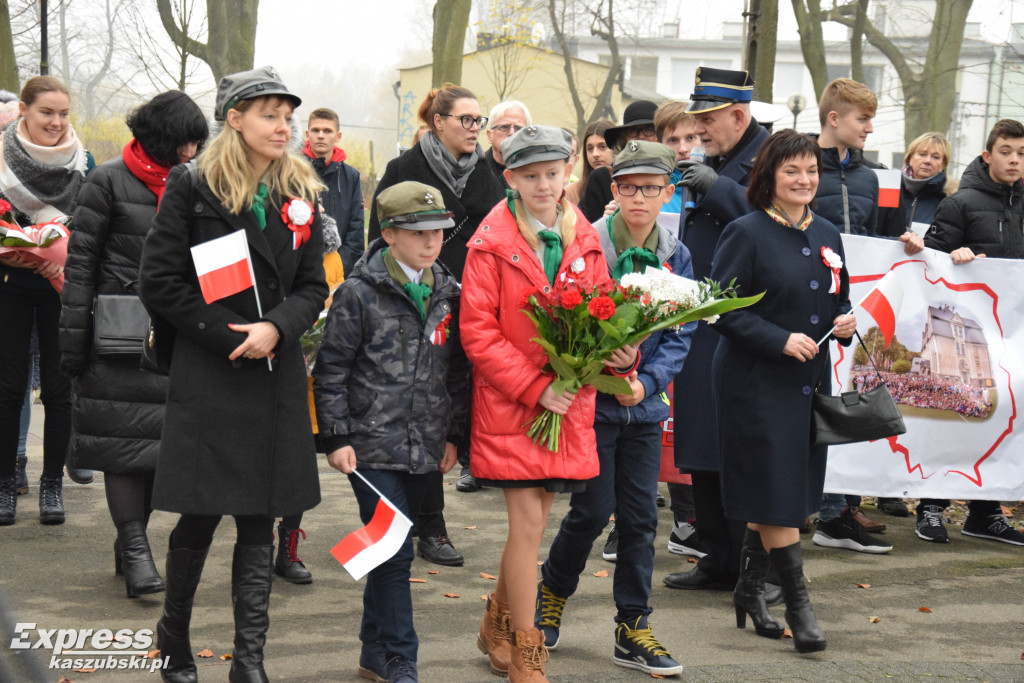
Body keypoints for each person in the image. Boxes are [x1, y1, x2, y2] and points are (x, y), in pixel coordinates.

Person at [139, 66, 328, 682]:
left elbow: (311, 285)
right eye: (269, 114)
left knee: (259, 514)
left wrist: (276, 327)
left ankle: (250, 662)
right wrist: (229, 338)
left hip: (272, 374)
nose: (283, 126)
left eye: (286, 115)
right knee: (200, 513)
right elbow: (159, 282)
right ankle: (174, 637)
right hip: (212, 372)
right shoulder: (191, 187)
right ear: (235, 118)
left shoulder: (301, 191)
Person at [461, 125, 639, 682]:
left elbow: (603, 312)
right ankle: (526, 649)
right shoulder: (488, 242)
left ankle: (496, 620)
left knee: (534, 524)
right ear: (509, 178)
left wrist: (621, 359)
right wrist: (537, 388)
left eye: (553, 174)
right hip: (514, 405)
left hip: (568, 405)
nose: (544, 185)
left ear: (569, 174)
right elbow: (478, 334)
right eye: (530, 176)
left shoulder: (583, 235)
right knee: (529, 525)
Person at [535, 141, 691, 677]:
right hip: (592, 407)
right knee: (591, 510)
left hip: (643, 411)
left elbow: (681, 331)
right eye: (629, 187)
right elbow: (567, 316)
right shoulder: (587, 242)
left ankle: (633, 625)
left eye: (651, 188)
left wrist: (646, 383)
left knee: (641, 518)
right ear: (614, 190)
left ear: (668, 192)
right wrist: (604, 356)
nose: (640, 198)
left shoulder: (676, 253)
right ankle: (552, 591)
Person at [313, 180, 469, 683]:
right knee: (395, 550)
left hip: (425, 445)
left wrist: (453, 436)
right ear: (389, 233)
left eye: (439, 232)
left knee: (383, 549)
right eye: (418, 232)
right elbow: (331, 367)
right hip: (370, 447)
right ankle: (403, 657)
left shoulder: (448, 290)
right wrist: (336, 437)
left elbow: (458, 372)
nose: (431, 242)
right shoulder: (359, 293)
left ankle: (372, 652)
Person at [711, 129, 856, 653]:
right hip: (754, 383)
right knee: (777, 495)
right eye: (792, 170)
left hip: (807, 384)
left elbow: (839, 300)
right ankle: (799, 605)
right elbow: (721, 310)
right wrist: (777, 339)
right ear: (769, 176)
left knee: (784, 491)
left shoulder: (829, 233)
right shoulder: (746, 232)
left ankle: (750, 592)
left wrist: (845, 321)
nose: (804, 180)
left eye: (812, 170)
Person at [58, 91, 207, 598]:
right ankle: (136, 548)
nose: (192, 151)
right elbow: (80, 268)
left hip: (174, 336)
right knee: (122, 448)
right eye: (187, 141)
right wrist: (73, 348)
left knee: (152, 450)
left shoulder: (195, 185)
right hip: (116, 338)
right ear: (164, 136)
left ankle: (131, 544)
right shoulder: (105, 182)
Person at [367, 85, 504, 566]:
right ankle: (425, 526)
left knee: (450, 407)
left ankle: (433, 512)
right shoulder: (405, 169)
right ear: (438, 121)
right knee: (415, 412)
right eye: (466, 120)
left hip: (475, 303)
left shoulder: (489, 172)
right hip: (419, 304)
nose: (474, 129)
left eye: (478, 121)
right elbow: (377, 242)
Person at [664, 67, 771, 594]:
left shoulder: (769, 157)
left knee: (735, 443)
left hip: (744, 316)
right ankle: (715, 558)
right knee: (701, 439)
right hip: (701, 311)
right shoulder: (717, 159)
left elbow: (777, 222)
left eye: (707, 119)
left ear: (738, 114)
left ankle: (746, 562)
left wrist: (722, 191)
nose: (699, 129)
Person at [902, 118, 1024, 547]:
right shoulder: (961, 203)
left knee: (1002, 419)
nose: (1014, 160)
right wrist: (954, 256)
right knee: (955, 413)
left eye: (1022, 153)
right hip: (964, 335)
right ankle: (932, 506)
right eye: (1006, 151)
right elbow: (928, 266)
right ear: (988, 155)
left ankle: (986, 511)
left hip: (1014, 336)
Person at [0, 76, 94, 526]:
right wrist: (19, 253)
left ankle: (51, 486)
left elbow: (91, 224)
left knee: (58, 391)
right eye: (46, 112)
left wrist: (57, 258)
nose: (56, 122)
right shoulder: (0, 153)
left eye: (63, 113)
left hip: (61, 286)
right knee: (7, 387)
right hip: (7, 282)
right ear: (23, 110)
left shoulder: (83, 161)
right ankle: (3, 484)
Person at [807, 78, 893, 551]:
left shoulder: (871, 177)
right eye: (863, 119)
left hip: (852, 308)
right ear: (834, 118)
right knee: (816, 399)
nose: (870, 128)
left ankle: (840, 509)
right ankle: (820, 505)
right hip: (809, 305)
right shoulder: (798, 165)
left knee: (849, 397)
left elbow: (879, 239)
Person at [303, 107, 364, 277]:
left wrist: (336, 267)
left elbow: (356, 232)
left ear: (338, 136)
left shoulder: (351, 176)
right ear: (307, 134)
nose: (321, 135)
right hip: (300, 272)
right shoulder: (292, 171)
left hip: (338, 274)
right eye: (316, 130)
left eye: (327, 131)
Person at [578, 101, 659, 222]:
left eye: (649, 129)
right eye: (633, 131)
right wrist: (607, 221)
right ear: (624, 138)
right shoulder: (602, 177)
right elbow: (585, 231)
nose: (641, 136)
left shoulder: (675, 176)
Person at [654, 101, 701, 215]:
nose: (683, 149)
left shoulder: (718, 184)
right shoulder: (651, 191)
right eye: (673, 140)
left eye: (690, 138)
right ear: (660, 145)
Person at [483, 100, 531, 189]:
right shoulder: (474, 171)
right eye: (504, 127)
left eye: (519, 128)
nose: (512, 133)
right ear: (490, 136)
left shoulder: (535, 171)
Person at [565, 120, 613, 206]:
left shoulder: (630, 187)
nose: (595, 154)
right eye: (590, 149)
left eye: (602, 147)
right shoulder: (571, 193)